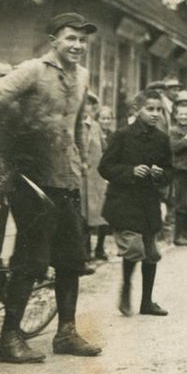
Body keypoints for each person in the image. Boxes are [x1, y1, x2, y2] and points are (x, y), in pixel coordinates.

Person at [0, 12, 101, 363]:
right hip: (30, 176)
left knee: (72, 257)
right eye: (70, 38)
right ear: (53, 40)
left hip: (65, 176)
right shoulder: (32, 70)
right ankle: (9, 338)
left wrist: (80, 159)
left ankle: (66, 332)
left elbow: (74, 123)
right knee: (32, 257)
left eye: (82, 40)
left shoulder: (83, 75)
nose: (77, 45)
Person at [99, 88, 172, 317]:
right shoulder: (122, 135)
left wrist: (161, 174)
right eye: (149, 109)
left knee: (151, 252)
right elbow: (105, 167)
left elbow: (170, 171)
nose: (155, 114)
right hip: (125, 201)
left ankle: (146, 302)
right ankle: (126, 288)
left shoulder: (162, 139)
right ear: (136, 110)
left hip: (149, 201)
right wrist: (130, 171)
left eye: (159, 110)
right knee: (134, 248)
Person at [81, 93, 109, 261]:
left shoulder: (96, 127)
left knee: (102, 213)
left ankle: (100, 248)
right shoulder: (76, 126)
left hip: (98, 176)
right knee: (84, 215)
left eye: (89, 104)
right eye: (83, 104)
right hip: (83, 177)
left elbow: (105, 149)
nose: (86, 107)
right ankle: (86, 251)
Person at [169, 102, 187, 246]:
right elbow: (173, 147)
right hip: (180, 170)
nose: (184, 117)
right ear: (176, 116)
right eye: (181, 114)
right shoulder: (173, 131)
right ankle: (178, 235)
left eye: (186, 114)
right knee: (182, 203)